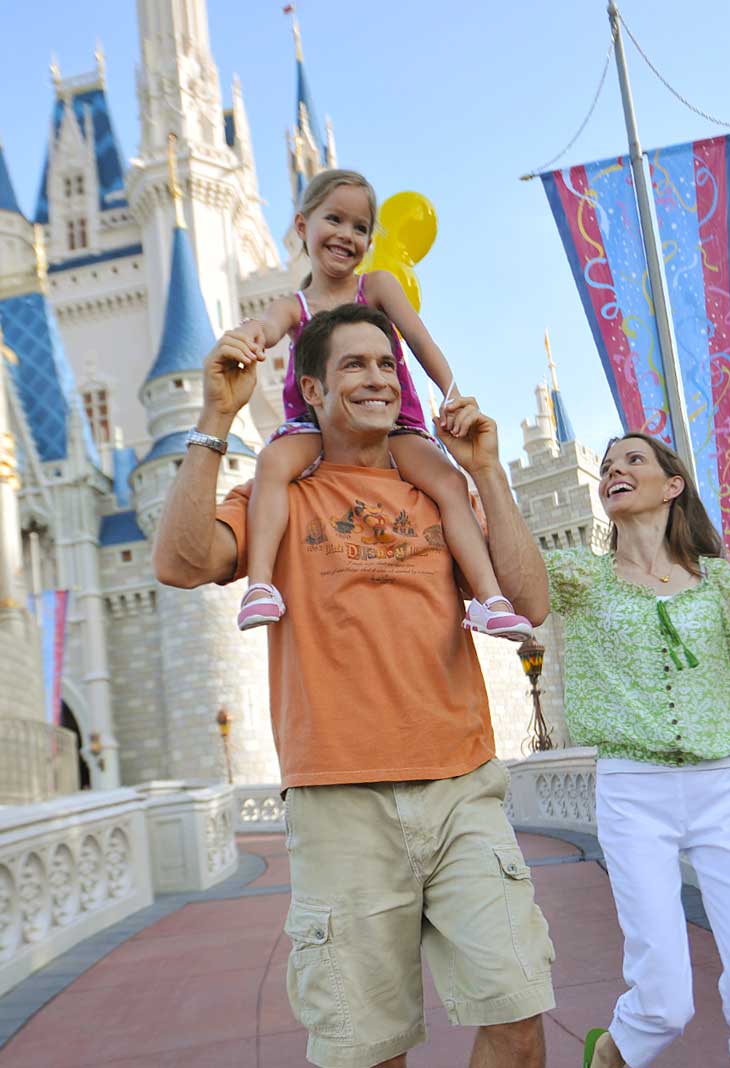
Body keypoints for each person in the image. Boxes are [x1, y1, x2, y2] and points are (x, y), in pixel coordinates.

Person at [153, 303, 556, 1068]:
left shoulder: (439, 489)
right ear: (311, 389)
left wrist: (486, 469)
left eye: (385, 364)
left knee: (517, 1018)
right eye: (353, 364)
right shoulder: (279, 495)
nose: (377, 378)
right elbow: (179, 562)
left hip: (462, 792)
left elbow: (530, 602)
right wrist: (215, 417)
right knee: (367, 1051)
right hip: (340, 807)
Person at [541, 433, 730, 1068]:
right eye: (606, 466)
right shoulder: (579, 576)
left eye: (633, 460)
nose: (614, 471)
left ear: (672, 485)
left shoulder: (717, 582)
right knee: (663, 1003)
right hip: (634, 792)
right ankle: (612, 1052)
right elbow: (505, 569)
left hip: (724, 789)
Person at [232, 168, 532, 642]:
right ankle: (261, 586)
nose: (346, 235)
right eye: (334, 219)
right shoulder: (293, 306)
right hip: (316, 424)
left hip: (394, 422)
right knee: (271, 464)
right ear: (302, 226)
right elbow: (267, 328)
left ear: (370, 240)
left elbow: (421, 341)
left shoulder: (377, 287)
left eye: (359, 227)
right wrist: (251, 334)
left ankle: (489, 599)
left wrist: (452, 394)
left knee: (449, 482)